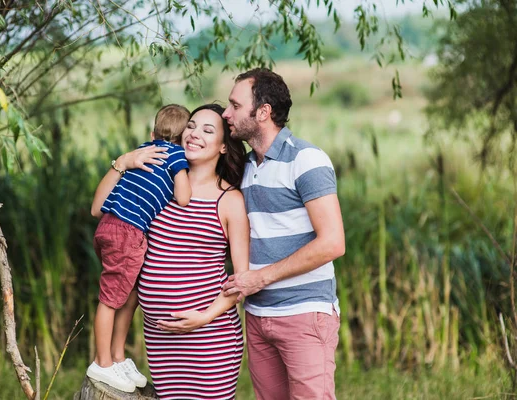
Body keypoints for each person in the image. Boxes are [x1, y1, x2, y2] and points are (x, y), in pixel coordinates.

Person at [95, 104, 249, 399]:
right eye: (191, 125)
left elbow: (240, 279)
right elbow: (101, 211)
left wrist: (203, 318)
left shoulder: (230, 200)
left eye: (208, 130)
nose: (194, 134)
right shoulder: (159, 185)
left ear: (223, 148)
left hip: (209, 340)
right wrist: (123, 162)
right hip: (161, 341)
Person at [222, 68, 346, 400]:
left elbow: (332, 242)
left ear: (262, 112)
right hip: (259, 317)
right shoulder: (246, 166)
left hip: (304, 313)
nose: (226, 113)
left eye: (235, 105)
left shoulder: (306, 159)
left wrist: (259, 278)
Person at [88, 104, 192, 392]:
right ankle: (103, 363)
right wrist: (183, 172)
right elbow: (183, 198)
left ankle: (118, 357)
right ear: (184, 140)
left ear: (152, 133)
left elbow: (97, 208)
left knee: (130, 294)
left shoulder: (143, 150)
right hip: (128, 233)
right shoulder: (177, 157)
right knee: (110, 299)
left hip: (110, 226)